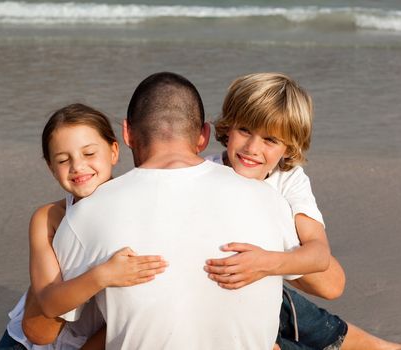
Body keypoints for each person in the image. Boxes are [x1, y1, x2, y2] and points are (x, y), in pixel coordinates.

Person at [52, 72, 312, 349]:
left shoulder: (85, 214)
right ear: (204, 136)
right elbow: (327, 280)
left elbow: (43, 327)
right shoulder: (271, 200)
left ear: (127, 133)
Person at [205, 72, 401, 350]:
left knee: (291, 299)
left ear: (288, 148)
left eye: (270, 140)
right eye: (245, 130)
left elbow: (320, 256)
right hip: (223, 293)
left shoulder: (288, 179)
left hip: (269, 277)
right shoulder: (205, 173)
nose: (252, 148)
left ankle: (384, 347)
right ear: (229, 127)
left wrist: (266, 262)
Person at [0, 103, 168, 350]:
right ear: (51, 168)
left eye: (89, 154)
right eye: (63, 160)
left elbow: (134, 315)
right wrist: (104, 274)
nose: (77, 166)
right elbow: (46, 309)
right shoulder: (48, 218)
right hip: (26, 342)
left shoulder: (137, 213)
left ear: (114, 151)